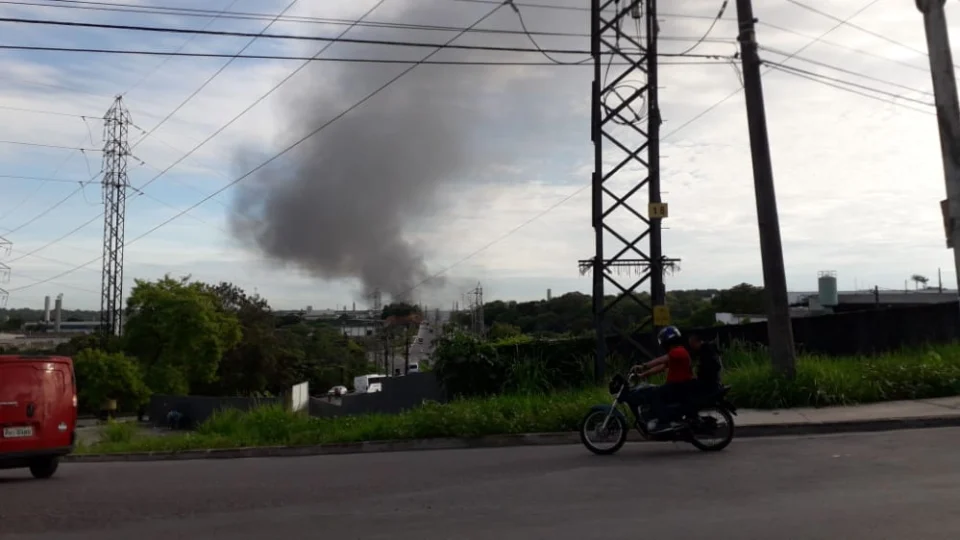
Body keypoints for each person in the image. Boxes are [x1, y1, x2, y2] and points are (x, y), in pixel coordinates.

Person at [630, 325, 696, 434]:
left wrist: (643, 366)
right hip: (678, 385)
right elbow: (661, 367)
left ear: (666, 341)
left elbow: (660, 360)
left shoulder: (677, 351)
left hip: (678, 386)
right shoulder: (678, 352)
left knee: (654, 394)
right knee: (654, 390)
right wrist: (643, 375)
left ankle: (662, 422)